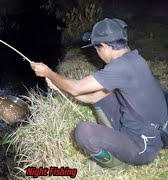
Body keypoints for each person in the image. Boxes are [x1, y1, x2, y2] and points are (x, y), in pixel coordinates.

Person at [30, 18, 168, 168]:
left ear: (105, 46)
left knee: (84, 133)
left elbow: (76, 87)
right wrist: (60, 87)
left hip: (143, 145)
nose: (97, 53)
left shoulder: (120, 68)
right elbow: (93, 97)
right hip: (141, 127)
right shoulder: (134, 59)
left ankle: (118, 165)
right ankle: (115, 141)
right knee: (103, 96)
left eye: (97, 48)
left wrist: (49, 73)